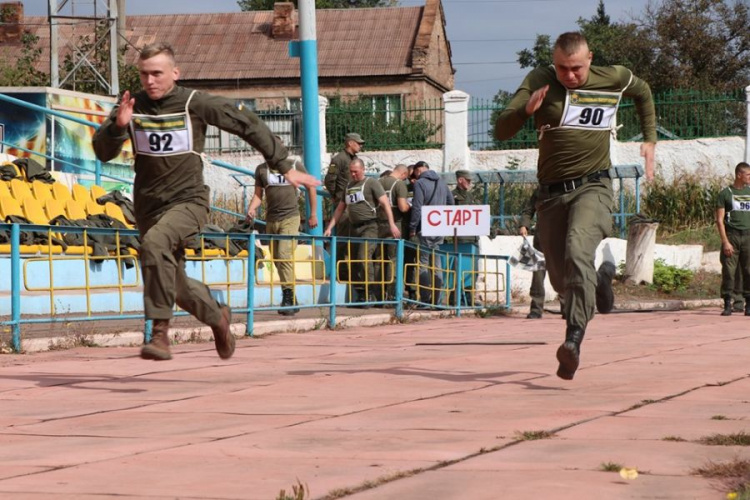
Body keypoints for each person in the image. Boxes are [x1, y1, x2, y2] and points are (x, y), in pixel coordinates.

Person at [92, 42, 319, 361]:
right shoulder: (132, 105)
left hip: (188, 201)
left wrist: (282, 164)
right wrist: (117, 128)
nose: (150, 81)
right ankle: (217, 317)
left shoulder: (193, 102)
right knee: (177, 286)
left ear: (175, 73)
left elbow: (246, 123)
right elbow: (102, 152)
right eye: (144, 75)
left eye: (157, 73)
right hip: (147, 206)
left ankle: (159, 332)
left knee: (154, 245)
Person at [494, 31, 656, 380]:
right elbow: (501, 130)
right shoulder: (539, 80)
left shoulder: (610, 77)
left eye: (576, 69)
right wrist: (525, 110)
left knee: (577, 249)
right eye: (562, 68)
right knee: (560, 279)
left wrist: (650, 139)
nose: (569, 76)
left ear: (590, 59)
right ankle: (600, 281)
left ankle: (573, 341)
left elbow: (642, 91)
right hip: (551, 195)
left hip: (593, 186)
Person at [324, 158, 401, 305]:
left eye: (356, 172)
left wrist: (392, 224)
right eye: (351, 172)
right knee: (355, 260)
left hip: (370, 226)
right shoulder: (349, 186)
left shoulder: (371, 183)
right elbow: (340, 208)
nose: (353, 175)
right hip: (354, 227)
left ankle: (369, 292)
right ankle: (360, 291)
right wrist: (329, 227)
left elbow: (385, 203)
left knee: (364, 256)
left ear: (363, 170)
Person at [246, 159, 318, 316]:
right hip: (271, 220)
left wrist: (313, 214)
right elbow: (258, 195)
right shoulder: (261, 169)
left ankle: (288, 297)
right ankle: (292, 296)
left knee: (284, 255)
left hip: (290, 218)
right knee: (277, 258)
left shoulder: (294, 165)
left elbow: (310, 187)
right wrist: (251, 209)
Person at [409, 160, 454, 306]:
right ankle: (437, 299)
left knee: (423, 263)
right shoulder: (442, 182)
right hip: (439, 227)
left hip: (425, 227)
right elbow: (451, 203)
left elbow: (417, 207)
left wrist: (412, 227)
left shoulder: (420, 184)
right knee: (437, 263)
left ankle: (425, 299)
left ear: (418, 171)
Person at [715, 161, 750, 316]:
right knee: (729, 271)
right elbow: (719, 220)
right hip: (732, 236)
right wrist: (725, 242)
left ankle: (748, 303)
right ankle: (728, 302)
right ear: (739, 175)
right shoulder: (726, 193)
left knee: (748, 270)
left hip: (748, 236)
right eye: (748, 174)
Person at [375, 164, 411, 302]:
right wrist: (410, 206)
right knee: (393, 260)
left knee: (378, 260)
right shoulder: (399, 184)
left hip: (378, 225)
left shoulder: (377, 182)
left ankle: (378, 296)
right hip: (394, 225)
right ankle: (393, 296)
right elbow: (402, 207)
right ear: (403, 174)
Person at [450, 169, 479, 306]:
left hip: (472, 238)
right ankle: (456, 299)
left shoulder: (471, 196)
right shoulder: (452, 197)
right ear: (460, 180)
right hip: (460, 238)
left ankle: (468, 298)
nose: (469, 183)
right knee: (458, 270)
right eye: (467, 180)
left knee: (472, 271)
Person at [519, 188, 546, 319]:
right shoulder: (540, 190)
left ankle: (566, 306)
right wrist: (524, 225)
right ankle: (536, 308)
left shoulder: (564, 188)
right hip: (542, 237)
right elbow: (528, 210)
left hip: (561, 237)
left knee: (561, 273)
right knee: (538, 275)